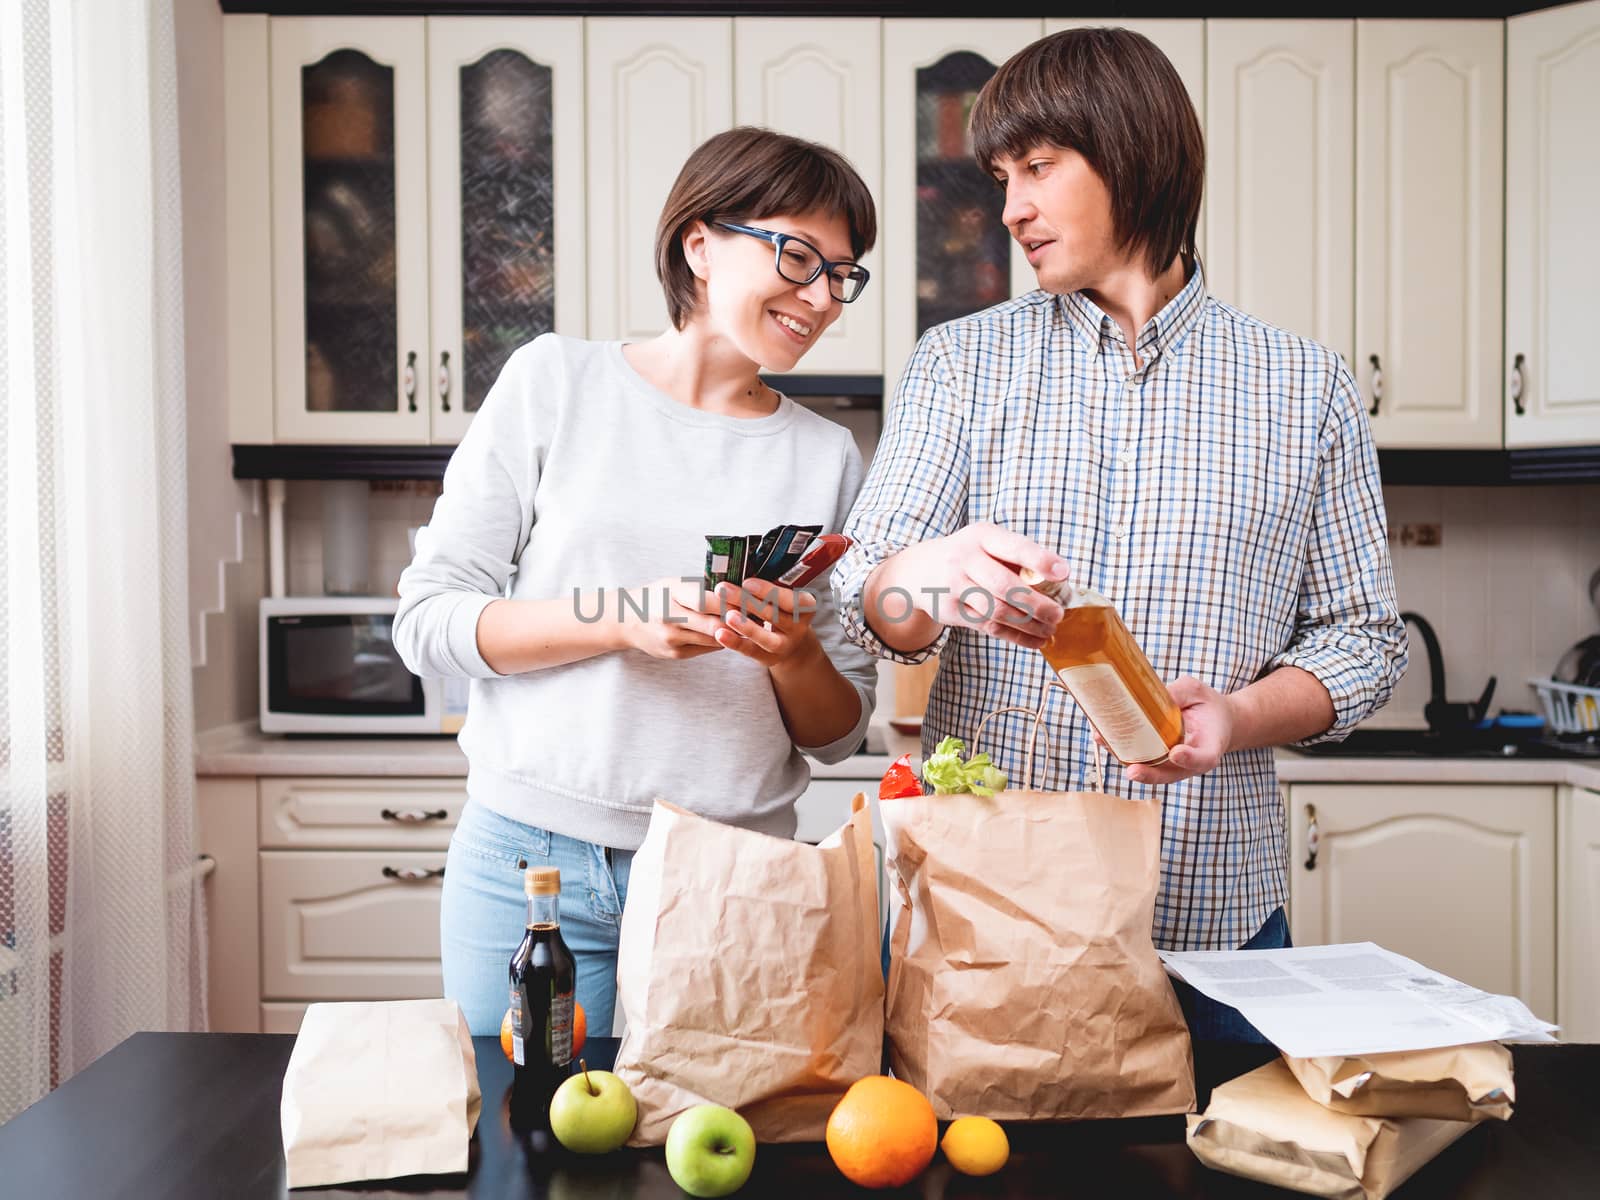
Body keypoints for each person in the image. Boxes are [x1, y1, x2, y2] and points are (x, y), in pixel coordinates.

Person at [834, 28, 1407, 1041]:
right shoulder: (963, 363)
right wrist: (929, 576)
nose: (1010, 208)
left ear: (1133, 153)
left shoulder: (1303, 387)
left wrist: (1232, 716)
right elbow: (868, 603)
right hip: (992, 912)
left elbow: (1364, 641)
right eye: (1003, 176)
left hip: (1212, 920)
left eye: (1039, 169)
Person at [394, 127, 880, 1038]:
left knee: (707, 1157)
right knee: (520, 1148)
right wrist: (623, 618)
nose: (821, 298)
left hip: (735, 875)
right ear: (700, 244)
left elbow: (841, 730)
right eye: (798, 256)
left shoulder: (827, 457)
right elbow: (427, 623)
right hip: (526, 868)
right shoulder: (555, 383)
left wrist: (792, 652)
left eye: (842, 274)